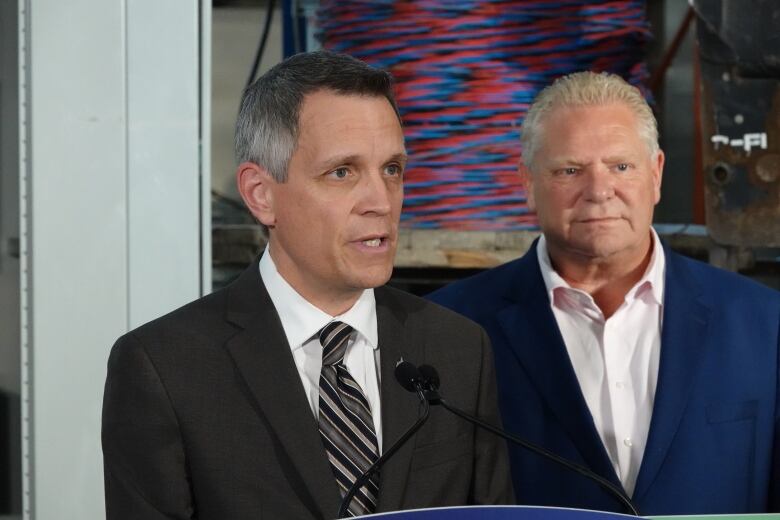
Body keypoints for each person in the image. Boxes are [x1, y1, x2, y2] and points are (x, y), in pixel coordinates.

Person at [101, 51, 513, 520]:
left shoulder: (458, 349)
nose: (380, 201)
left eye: (392, 169)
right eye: (342, 172)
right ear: (261, 195)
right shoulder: (165, 368)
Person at [429, 71, 779, 515]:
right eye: (569, 170)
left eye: (621, 166)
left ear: (655, 174)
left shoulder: (765, 326)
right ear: (528, 183)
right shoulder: (452, 327)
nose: (598, 191)